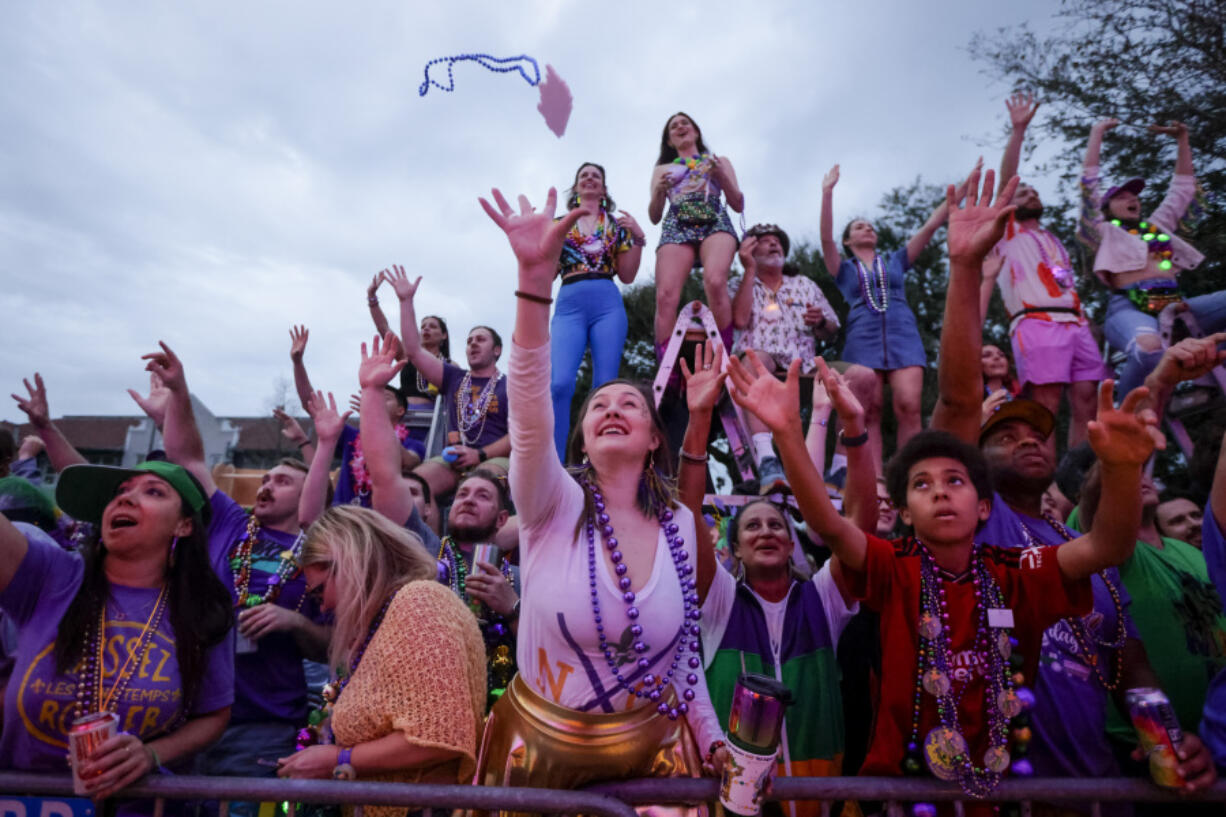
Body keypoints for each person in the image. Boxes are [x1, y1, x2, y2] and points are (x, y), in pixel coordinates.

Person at [930, 163, 1216, 807]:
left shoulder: (1076, 544)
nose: (1029, 438)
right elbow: (955, 397)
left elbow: (1125, 658)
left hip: (1104, 788)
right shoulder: (980, 523)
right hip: (1002, 794)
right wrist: (965, 270)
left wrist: (1162, 737)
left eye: (1037, 431)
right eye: (1005, 435)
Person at [473, 186, 728, 806]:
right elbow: (533, 415)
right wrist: (535, 284)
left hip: (653, 768)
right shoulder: (549, 504)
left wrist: (715, 740)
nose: (612, 408)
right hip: (534, 766)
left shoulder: (680, 524)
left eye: (630, 404)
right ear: (582, 438)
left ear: (651, 438)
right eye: (598, 407)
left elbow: (684, 665)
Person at [132, 342, 331, 808]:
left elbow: (336, 644)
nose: (266, 485)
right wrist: (179, 396)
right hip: (185, 718)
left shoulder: (320, 552)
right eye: (265, 479)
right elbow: (189, 462)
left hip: (264, 728)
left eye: (282, 481)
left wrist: (294, 623)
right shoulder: (230, 524)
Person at [678, 342, 862, 817]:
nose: (765, 531)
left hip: (821, 801)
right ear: (734, 548)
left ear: (791, 540)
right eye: (752, 526)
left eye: (776, 524)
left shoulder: (823, 597)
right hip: (737, 804)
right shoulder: (718, 602)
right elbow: (687, 518)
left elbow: (858, 528)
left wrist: (853, 434)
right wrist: (698, 423)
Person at [0, 459, 234, 804]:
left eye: (153, 492)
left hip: (138, 807)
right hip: (23, 801)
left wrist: (152, 754)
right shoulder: (49, 576)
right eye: (120, 492)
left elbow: (214, 714)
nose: (125, 499)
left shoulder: (203, 609)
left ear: (184, 525)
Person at [276, 506, 485, 817]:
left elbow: (439, 736)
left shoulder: (419, 602)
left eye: (320, 593)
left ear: (352, 563)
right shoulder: (385, 619)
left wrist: (339, 759)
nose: (325, 608)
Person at [820, 164, 968, 467]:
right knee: (868, 409)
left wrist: (962, 190)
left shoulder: (896, 260)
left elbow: (929, 227)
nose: (868, 228)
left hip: (903, 333)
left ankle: (911, 474)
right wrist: (827, 194)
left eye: (871, 226)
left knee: (909, 406)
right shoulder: (844, 269)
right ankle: (873, 482)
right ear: (848, 241)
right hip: (862, 337)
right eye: (859, 226)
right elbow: (826, 241)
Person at [985, 93, 1109, 449]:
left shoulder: (1053, 237)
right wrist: (1018, 132)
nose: (1029, 194)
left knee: (1087, 400)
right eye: (1023, 192)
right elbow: (1007, 181)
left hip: (1076, 323)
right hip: (1035, 322)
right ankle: (1045, 489)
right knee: (1045, 405)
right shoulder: (1006, 232)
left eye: (1034, 191)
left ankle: (1077, 482)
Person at [730, 223, 877, 492]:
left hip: (806, 366)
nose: (773, 244)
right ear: (749, 249)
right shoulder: (739, 284)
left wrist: (820, 321)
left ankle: (840, 469)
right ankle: (767, 460)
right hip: (763, 365)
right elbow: (738, 320)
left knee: (863, 377)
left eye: (778, 241)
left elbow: (831, 331)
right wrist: (749, 269)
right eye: (764, 241)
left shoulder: (804, 285)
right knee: (754, 359)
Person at [1081, 118, 1221, 397]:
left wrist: (1183, 139)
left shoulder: (1157, 228)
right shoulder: (1102, 231)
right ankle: (1121, 419)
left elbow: (1182, 190)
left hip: (1176, 305)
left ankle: (1205, 378)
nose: (1132, 198)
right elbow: (1089, 188)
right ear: (1107, 208)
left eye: (1135, 195)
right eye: (1122, 196)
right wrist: (1096, 133)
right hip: (1129, 307)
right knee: (1147, 348)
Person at [385, 267, 511, 500]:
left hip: (494, 460)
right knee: (412, 490)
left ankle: (473, 539)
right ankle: (431, 539)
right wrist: (406, 302)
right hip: (452, 458)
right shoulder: (454, 377)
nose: (473, 344)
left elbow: (519, 434)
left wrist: (480, 455)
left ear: (497, 350)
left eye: (480, 340)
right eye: (469, 340)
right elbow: (412, 351)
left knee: (478, 487)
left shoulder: (510, 385)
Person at [550, 162, 645, 458]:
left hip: (606, 300)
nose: (590, 179)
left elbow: (627, 276)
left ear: (604, 189)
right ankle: (555, 460)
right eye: (583, 175)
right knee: (559, 383)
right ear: (576, 187)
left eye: (596, 176)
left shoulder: (618, 226)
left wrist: (639, 239)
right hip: (569, 300)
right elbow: (547, 272)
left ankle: (596, 457)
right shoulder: (558, 224)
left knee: (605, 387)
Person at [289, 324, 424, 507]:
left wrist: (376, 416)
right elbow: (310, 404)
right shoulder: (352, 437)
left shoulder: (413, 444)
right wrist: (298, 363)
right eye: (375, 399)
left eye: (384, 398)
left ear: (401, 410)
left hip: (383, 524)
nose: (377, 402)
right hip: (342, 521)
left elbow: (408, 462)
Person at [649, 112, 744, 355]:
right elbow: (654, 216)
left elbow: (738, 203)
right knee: (666, 294)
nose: (680, 127)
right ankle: (666, 363)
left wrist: (720, 174)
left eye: (685, 123)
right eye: (674, 126)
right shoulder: (663, 169)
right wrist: (660, 192)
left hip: (713, 217)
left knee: (714, 280)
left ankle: (724, 353)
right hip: (678, 220)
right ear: (669, 141)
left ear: (696, 132)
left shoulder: (718, 161)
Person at [365, 270, 452, 412]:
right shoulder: (406, 355)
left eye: (432, 326)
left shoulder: (450, 364)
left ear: (444, 335)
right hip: (403, 416)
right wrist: (372, 298)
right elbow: (383, 328)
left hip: (434, 420)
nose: (426, 329)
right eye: (423, 327)